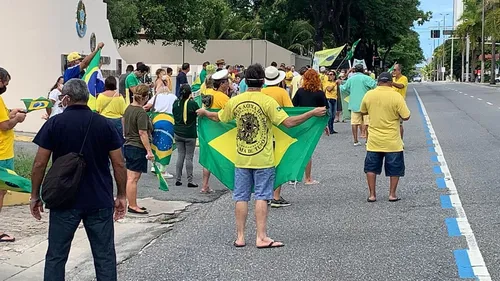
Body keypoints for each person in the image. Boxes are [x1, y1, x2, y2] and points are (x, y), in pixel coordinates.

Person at [196, 63, 326, 249]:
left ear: (245, 81)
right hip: (263, 157)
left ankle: (240, 237)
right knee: (262, 197)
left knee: (240, 197)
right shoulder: (267, 102)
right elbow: (288, 123)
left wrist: (205, 112)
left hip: (241, 156)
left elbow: (220, 118)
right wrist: (312, 112)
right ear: (263, 81)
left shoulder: (236, 100)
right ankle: (261, 237)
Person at [30, 79, 127, 280]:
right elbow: (119, 164)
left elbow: (39, 164)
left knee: (57, 255)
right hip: (99, 198)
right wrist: (122, 195)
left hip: (64, 199)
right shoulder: (105, 124)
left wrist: (34, 195)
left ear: (66, 99)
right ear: (87, 98)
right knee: (104, 256)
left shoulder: (54, 124)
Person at [360, 72, 410, 202]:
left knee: (371, 167)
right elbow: (406, 116)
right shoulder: (396, 96)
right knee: (395, 168)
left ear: (378, 82)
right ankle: (392, 194)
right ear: (390, 82)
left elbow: (363, 110)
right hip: (392, 139)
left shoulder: (369, 94)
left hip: (374, 139)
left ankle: (372, 195)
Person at [0, 68, 27, 243]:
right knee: (0, 192)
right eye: (5, 83)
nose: (6, 87)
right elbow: (3, 125)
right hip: (2, 154)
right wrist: (16, 119)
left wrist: (10, 112)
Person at [261, 66, 293, 208]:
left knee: (265, 165)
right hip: (279, 132)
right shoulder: (281, 92)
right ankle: (276, 196)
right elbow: (290, 111)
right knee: (278, 163)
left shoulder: (261, 92)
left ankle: (264, 194)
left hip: (263, 132)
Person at [293, 69, 328, 186]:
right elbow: (324, 110)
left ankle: (294, 176)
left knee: (298, 149)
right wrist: (325, 125)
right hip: (313, 124)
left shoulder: (300, 92)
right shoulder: (319, 93)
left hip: (300, 121)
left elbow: (293, 106)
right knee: (308, 151)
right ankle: (307, 178)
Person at [123, 85, 154, 215]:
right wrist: (149, 151)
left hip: (128, 144)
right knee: (133, 178)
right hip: (137, 146)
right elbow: (143, 132)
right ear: (146, 97)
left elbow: (124, 123)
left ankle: (131, 202)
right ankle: (133, 205)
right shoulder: (140, 112)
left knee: (130, 177)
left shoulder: (129, 108)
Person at [200, 69, 231, 194]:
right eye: (227, 82)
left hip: (208, 129)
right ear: (222, 84)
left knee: (208, 157)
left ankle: (205, 185)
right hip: (220, 130)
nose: (229, 84)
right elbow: (229, 114)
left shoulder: (208, 93)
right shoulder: (223, 97)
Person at [144, 70, 177, 179]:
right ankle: (163, 170)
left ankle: (154, 166)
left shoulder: (156, 97)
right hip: (169, 122)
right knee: (166, 145)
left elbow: (147, 107)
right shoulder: (173, 97)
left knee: (155, 143)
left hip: (156, 121)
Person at [340, 64, 377, 146]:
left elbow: (343, 88)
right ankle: (367, 140)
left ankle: (355, 140)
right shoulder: (367, 78)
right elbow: (374, 85)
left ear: (354, 70)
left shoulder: (351, 79)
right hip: (366, 104)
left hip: (354, 103)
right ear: (363, 70)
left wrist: (339, 84)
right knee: (367, 123)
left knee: (354, 123)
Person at [173, 85, 200, 187]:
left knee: (180, 155)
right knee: (189, 157)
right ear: (190, 93)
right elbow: (199, 114)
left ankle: (178, 179)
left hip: (178, 132)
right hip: (189, 133)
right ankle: (190, 180)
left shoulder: (176, 103)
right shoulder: (192, 104)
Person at [391, 64, 409, 140]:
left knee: (399, 124)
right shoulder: (392, 78)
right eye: (393, 70)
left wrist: (391, 82)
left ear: (399, 70)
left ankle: (400, 141)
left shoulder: (404, 78)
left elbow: (401, 86)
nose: (393, 71)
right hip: (391, 103)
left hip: (400, 103)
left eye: (395, 70)